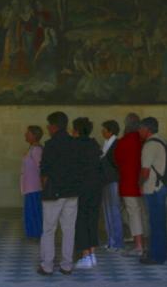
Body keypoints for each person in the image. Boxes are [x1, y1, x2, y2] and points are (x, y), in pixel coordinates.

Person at [38, 111, 82, 275]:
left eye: (49, 125)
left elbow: (45, 170)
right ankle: (66, 265)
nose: (48, 128)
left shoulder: (50, 145)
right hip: (72, 192)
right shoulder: (75, 143)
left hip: (54, 192)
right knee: (69, 229)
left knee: (49, 229)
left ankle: (47, 265)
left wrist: (45, 187)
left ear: (54, 126)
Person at [72, 117, 104, 269]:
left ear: (76, 130)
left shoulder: (75, 145)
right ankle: (92, 253)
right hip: (96, 187)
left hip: (81, 187)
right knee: (92, 218)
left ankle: (85, 255)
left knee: (81, 220)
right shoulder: (94, 144)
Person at [138, 116, 167, 265]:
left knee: (155, 223)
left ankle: (156, 256)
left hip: (153, 188)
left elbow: (145, 171)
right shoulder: (162, 141)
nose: (139, 131)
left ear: (147, 129)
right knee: (160, 223)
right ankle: (162, 253)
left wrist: (139, 184)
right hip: (162, 186)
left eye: (141, 128)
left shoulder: (149, 145)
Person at [114, 112, 145, 256]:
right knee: (141, 213)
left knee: (133, 214)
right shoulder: (143, 141)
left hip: (128, 183)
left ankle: (138, 245)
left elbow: (117, 161)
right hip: (144, 182)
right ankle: (141, 240)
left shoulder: (123, 142)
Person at [100, 120, 124, 252]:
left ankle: (118, 242)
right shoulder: (105, 144)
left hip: (113, 180)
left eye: (104, 129)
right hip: (105, 180)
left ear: (110, 131)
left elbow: (117, 163)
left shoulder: (117, 144)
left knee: (114, 211)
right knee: (107, 212)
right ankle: (111, 240)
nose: (102, 132)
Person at [20, 125, 44, 240]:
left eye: (28, 133)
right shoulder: (31, 148)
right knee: (30, 212)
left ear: (34, 136)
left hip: (35, 187)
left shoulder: (36, 150)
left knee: (35, 212)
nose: (25, 135)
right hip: (29, 187)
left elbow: (41, 168)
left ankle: (37, 233)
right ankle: (33, 233)